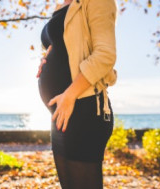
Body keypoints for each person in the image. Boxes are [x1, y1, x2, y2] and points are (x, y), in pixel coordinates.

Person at [37, 0, 117, 188]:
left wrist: (69, 95)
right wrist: (46, 58)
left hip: (84, 108)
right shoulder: (62, 6)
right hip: (61, 113)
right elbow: (66, 46)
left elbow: (105, 54)